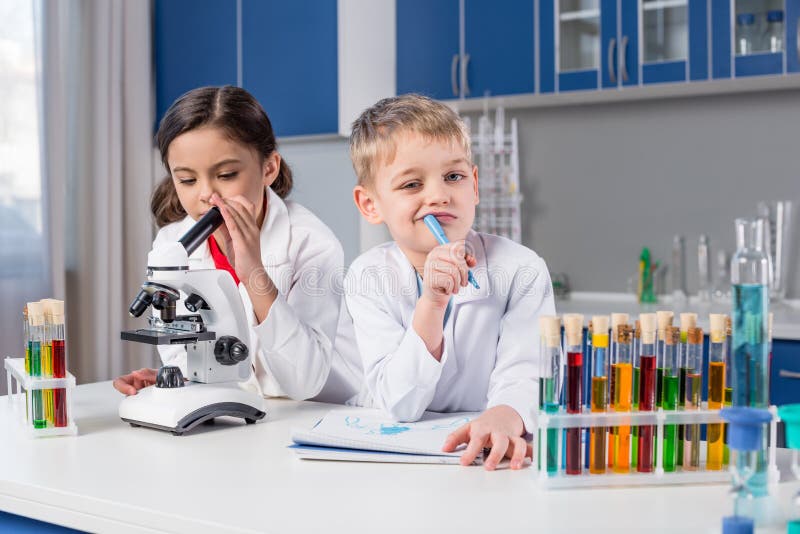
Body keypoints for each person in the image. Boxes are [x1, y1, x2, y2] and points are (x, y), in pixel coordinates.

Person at [114, 86, 364, 405]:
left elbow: (303, 382)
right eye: (187, 180)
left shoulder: (310, 243)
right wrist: (178, 379)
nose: (206, 194)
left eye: (227, 174)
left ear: (269, 168)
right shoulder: (171, 243)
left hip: (323, 410)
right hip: (251, 413)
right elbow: (183, 355)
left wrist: (254, 274)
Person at [346, 94, 555, 470]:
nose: (439, 195)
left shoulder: (522, 267)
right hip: (404, 468)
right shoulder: (367, 276)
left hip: (495, 459)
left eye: (453, 177)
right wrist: (432, 304)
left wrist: (506, 413)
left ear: (473, 186)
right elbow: (400, 402)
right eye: (411, 185)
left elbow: (526, 371)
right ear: (370, 205)